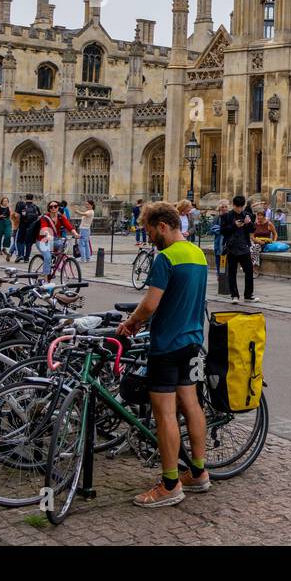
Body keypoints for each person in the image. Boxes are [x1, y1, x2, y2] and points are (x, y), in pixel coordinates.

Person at [116, 201, 209, 507]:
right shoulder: (198, 254)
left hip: (167, 345)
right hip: (193, 341)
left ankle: (170, 484)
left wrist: (132, 322)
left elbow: (150, 303)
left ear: (163, 226)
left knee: (165, 413)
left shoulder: (166, 258)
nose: (149, 237)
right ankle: (198, 471)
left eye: (150, 230)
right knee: (192, 404)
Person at [219, 195, 257, 302]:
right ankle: (234, 295)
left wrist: (248, 223)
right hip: (231, 247)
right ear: (233, 205)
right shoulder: (227, 216)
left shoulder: (247, 215)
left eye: (241, 207)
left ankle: (248, 295)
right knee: (232, 272)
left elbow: (253, 229)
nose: (239, 209)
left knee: (249, 271)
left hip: (244, 246)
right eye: (237, 207)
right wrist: (234, 225)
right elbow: (223, 231)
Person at [36, 200, 78, 274]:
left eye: (55, 206)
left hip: (53, 240)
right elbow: (44, 227)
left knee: (63, 244)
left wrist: (75, 233)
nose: (53, 208)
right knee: (48, 258)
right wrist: (47, 234)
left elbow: (68, 226)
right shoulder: (45, 218)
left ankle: (56, 265)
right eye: (51, 207)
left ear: (58, 207)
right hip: (42, 241)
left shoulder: (60, 217)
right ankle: (45, 279)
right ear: (49, 208)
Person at [13, 193, 41, 263]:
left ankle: (20, 254)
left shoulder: (22, 206)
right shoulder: (35, 207)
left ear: (25, 198)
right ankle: (27, 258)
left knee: (19, 241)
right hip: (32, 227)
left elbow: (16, 216)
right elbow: (39, 217)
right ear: (33, 199)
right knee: (29, 242)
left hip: (23, 225)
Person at [210, 198, 229, 274]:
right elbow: (212, 229)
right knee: (218, 258)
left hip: (228, 242)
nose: (224, 208)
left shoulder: (230, 216)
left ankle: (226, 274)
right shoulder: (217, 217)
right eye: (222, 207)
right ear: (219, 208)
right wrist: (222, 230)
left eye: (225, 207)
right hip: (218, 242)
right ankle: (220, 274)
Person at [77, 199, 95, 263]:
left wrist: (77, 211)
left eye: (88, 204)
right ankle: (87, 258)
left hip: (84, 229)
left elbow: (83, 214)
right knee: (86, 244)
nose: (86, 205)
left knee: (81, 244)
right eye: (86, 204)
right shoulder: (90, 211)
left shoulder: (90, 212)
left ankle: (83, 259)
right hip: (86, 229)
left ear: (92, 205)